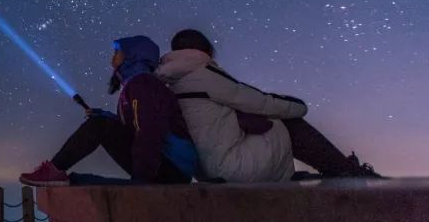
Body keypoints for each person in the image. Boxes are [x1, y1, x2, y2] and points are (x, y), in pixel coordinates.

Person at [157, 29, 379, 182]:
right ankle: (347, 172)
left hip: (205, 169)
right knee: (287, 121)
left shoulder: (171, 81)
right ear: (205, 50)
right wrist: (300, 107)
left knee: (269, 126)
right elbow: (260, 102)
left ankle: (335, 170)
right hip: (228, 167)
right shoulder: (203, 74)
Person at [19, 36, 198, 187]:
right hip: (166, 166)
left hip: (171, 168)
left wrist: (142, 180)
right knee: (99, 129)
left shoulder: (142, 83)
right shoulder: (137, 84)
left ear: (132, 55)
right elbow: (138, 125)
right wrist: (108, 116)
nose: (113, 56)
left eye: (117, 51)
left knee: (99, 126)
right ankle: (61, 176)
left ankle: (54, 171)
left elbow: (150, 130)